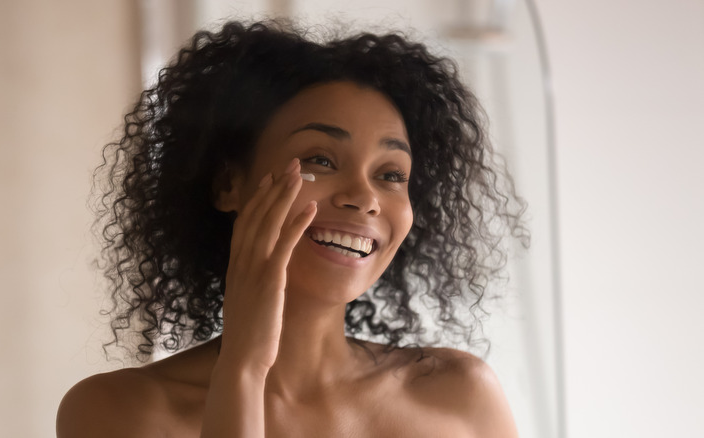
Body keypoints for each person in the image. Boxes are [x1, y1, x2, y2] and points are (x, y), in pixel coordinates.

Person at [57, 19, 527, 437]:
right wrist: (242, 369)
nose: (364, 197)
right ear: (228, 184)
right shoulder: (117, 413)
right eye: (320, 160)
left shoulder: (459, 395)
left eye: (391, 175)